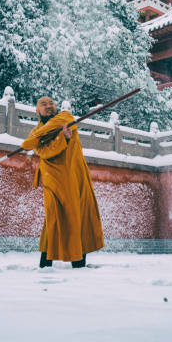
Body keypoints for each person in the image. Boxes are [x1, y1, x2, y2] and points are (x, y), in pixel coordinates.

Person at [21, 96, 104, 268]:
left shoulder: (65, 118)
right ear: (37, 111)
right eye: (44, 104)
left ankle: (79, 264)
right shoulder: (36, 133)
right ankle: (45, 264)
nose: (49, 106)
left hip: (74, 178)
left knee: (78, 217)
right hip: (53, 181)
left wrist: (42, 136)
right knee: (53, 219)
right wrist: (61, 138)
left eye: (51, 103)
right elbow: (44, 152)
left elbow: (31, 142)